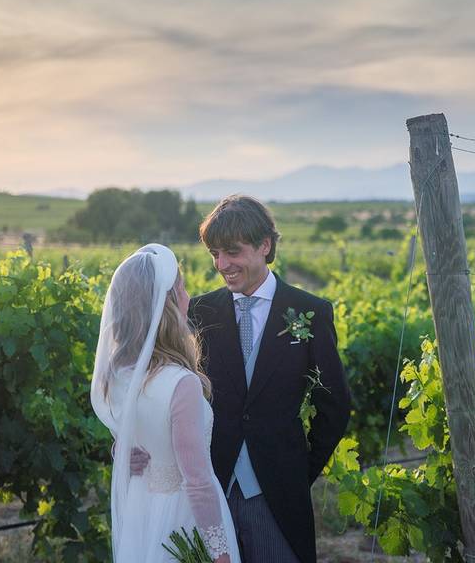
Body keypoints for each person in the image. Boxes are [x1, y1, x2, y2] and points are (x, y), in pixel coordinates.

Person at [133, 195, 351, 563]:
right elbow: (164, 387)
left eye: (232, 252)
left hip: (278, 495)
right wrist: (135, 447)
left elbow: (335, 406)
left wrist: (297, 471)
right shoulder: (200, 311)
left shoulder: (310, 312)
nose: (222, 265)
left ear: (265, 246)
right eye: (215, 254)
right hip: (207, 493)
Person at [90, 244, 238, 563]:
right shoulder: (179, 383)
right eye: (182, 290)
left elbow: (129, 440)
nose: (187, 297)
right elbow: (196, 481)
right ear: (168, 304)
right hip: (182, 519)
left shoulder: (117, 373)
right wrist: (221, 553)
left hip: (142, 511)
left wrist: (122, 450)